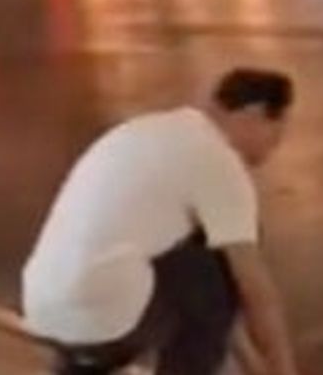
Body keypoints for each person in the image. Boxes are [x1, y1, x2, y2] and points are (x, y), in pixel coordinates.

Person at [23, 69, 301, 375]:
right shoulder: (218, 161)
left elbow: (220, 313)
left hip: (43, 309)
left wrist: (257, 368)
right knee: (216, 266)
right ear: (255, 114)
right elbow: (253, 291)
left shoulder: (154, 131)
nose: (274, 147)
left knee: (192, 265)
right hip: (104, 318)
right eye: (276, 132)